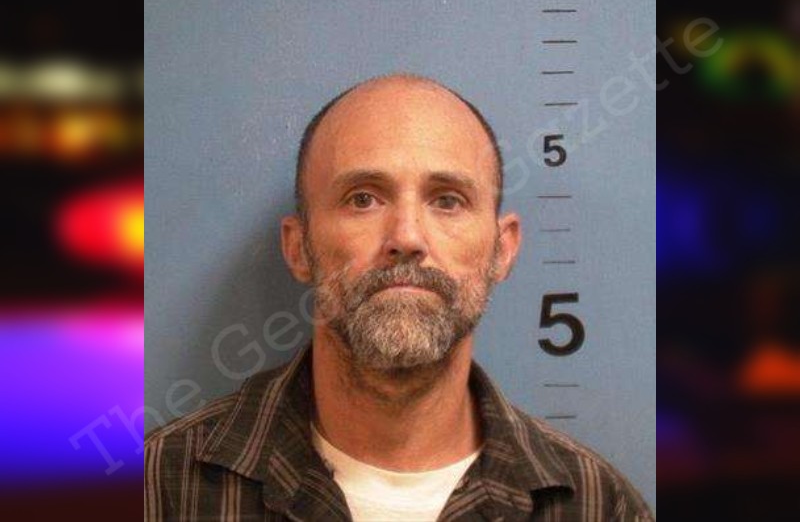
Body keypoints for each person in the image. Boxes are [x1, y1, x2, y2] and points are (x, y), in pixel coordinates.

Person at [144, 73, 654, 521]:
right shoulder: (157, 489)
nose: (407, 237)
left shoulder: (599, 507)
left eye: (447, 200)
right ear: (298, 248)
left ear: (503, 250)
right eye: (363, 198)